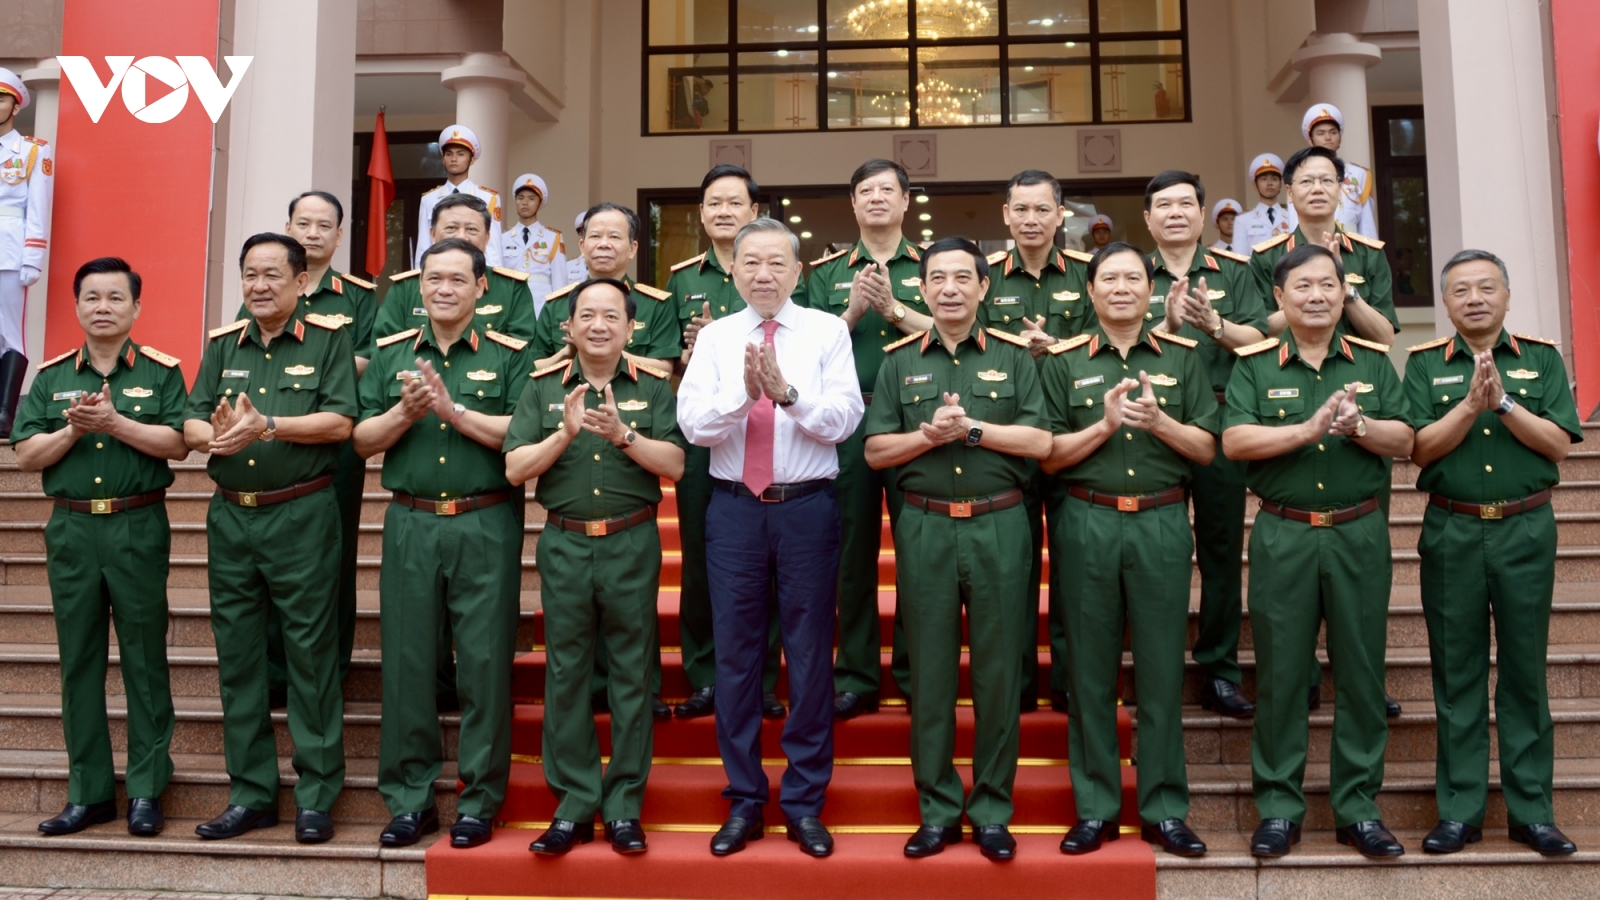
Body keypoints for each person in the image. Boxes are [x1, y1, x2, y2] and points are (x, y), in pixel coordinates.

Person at [678, 218, 863, 858]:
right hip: (734, 511)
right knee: (736, 659)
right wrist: (745, 395)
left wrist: (788, 396)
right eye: (751, 263)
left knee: (809, 657)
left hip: (806, 508)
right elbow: (694, 425)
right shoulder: (715, 338)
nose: (763, 274)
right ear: (732, 271)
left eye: (776, 263)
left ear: (798, 271)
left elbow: (844, 419)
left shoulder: (828, 331)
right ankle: (745, 799)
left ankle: (805, 802)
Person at [1222, 243, 1414, 860]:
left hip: (1359, 532)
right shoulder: (1255, 365)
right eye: (1302, 286)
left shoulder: (1373, 361)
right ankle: (1279, 807)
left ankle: (1358, 808)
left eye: (1328, 285)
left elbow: (1405, 438)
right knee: (1281, 675)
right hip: (1285, 534)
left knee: (1360, 671)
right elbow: (1235, 440)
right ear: (1279, 298)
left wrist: (1361, 427)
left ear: (1343, 292)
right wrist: (1305, 431)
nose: (1317, 296)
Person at [865, 237, 1051, 861]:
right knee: (931, 675)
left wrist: (971, 430)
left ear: (983, 287)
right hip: (925, 526)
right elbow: (875, 451)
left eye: (962, 278)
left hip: (1000, 524)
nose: (949, 288)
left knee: (998, 673)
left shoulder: (1014, 357)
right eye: (937, 278)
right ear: (920, 290)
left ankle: (993, 809)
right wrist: (926, 437)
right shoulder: (898, 363)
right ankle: (938, 809)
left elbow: (1039, 442)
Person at [1041, 242, 1218, 859]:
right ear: (1090, 291)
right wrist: (1107, 426)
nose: (1121, 288)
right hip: (1086, 520)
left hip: (1162, 521)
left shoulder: (1182, 358)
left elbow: (1206, 449)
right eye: (1109, 278)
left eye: (1133, 278)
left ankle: (1165, 809)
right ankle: (1096, 808)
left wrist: (1159, 422)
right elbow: (1048, 455)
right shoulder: (1063, 363)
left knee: (1162, 671)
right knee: (1089, 672)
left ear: (1151, 289)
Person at [354, 238, 532, 850]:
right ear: (419, 287)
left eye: (458, 279)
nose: (444, 289)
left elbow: (523, 433)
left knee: (484, 666)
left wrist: (454, 413)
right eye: (433, 279)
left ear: (482, 288)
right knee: (407, 665)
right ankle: (410, 801)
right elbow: (361, 439)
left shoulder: (511, 354)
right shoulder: (392, 354)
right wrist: (405, 413)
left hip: (485, 521)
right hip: (411, 521)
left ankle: (479, 801)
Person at [1406, 250, 1581, 857]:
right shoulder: (1424, 364)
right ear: (1445, 303)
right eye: (1461, 290)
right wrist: (1469, 405)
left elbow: (1558, 445)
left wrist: (1504, 403)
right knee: (1457, 675)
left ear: (1507, 296)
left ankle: (1532, 811)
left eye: (1486, 287)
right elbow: (1419, 448)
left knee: (1525, 672)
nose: (1474, 298)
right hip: (1451, 530)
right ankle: (1459, 812)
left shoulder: (1541, 358)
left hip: (1524, 529)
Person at [183, 234, 356, 843]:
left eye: (271, 275)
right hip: (232, 518)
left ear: (301, 282)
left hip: (300, 514)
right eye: (249, 275)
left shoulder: (329, 341)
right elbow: (190, 418)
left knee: (310, 656)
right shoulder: (223, 345)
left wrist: (269, 426)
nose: (258, 286)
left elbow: (340, 422)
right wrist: (215, 435)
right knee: (239, 658)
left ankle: (316, 795)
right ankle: (251, 793)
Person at [506, 279, 685, 856]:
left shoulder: (653, 385)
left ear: (631, 328)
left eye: (611, 316)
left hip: (632, 543)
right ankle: (574, 804)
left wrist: (625, 435)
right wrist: (564, 435)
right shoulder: (541, 387)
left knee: (633, 674)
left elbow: (676, 464)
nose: (599, 325)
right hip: (565, 543)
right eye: (587, 315)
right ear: (569, 326)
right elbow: (515, 468)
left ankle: (625, 805)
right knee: (566, 674)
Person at [13, 258, 185, 838]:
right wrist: (73, 429)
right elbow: (26, 454)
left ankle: (146, 790)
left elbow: (178, 443)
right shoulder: (51, 376)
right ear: (77, 306)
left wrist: (114, 423)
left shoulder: (161, 372)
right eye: (92, 297)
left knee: (144, 658)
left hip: (137, 525)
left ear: (136, 307)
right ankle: (88, 793)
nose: (103, 307)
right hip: (72, 530)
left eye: (115, 297)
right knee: (79, 662)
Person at [803, 159, 933, 720]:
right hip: (849, 419)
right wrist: (853, 312)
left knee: (919, 551)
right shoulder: (825, 272)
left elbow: (958, 328)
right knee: (851, 552)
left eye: (887, 190)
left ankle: (916, 672)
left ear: (906, 201)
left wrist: (895, 310)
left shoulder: (934, 266)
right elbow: (805, 351)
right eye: (866, 191)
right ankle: (856, 673)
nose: (877, 198)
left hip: (920, 421)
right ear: (853, 203)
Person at [243, 191, 377, 707]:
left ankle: (329, 670)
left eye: (325, 225)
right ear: (289, 227)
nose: (313, 233)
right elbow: (243, 352)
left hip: (330, 444)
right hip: (267, 447)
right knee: (269, 563)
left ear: (339, 236)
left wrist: (308, 384)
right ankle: (275, 672)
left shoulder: (358, 296)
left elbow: (367, 360)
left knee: (332, 560)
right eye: (304, 223)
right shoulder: (263, 289)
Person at [1142, 171, 1267, 720]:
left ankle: (1219, 669)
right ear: (1147, 219)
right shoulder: (1128, 271)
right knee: (1155, 552)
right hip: (1151, 423)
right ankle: (1158, 669)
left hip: (1217, 419)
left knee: (1220, 550)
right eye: (1164, 205)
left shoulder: (1234, 272)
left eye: (1185, 204)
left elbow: (1260, 338)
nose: (1175, 213)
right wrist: (1166, 326)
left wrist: (1215, 325)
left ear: (1202, 214)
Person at [669, 164, 785, 721]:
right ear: (701, 213)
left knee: (771, 565)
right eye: (713, 202)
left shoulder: (780, 269)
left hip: (773, 433)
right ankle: (705, 675)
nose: (723, 211)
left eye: (734, 202)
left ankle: (763, 680)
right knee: (701, 559)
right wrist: (692, 353)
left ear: (754, 211)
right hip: (708, 436)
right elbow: (667, 365)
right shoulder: (680, 280)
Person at [984, 169, 1095, 715]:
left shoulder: (1089, 273)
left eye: (1042, 209)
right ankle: (1020, 681)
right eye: (1021, 210)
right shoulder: (984, 277)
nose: (1031, 219)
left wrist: (1060, 346)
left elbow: (1110, 337)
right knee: (1013, 570)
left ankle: (1071, 681)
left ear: (1060, 214)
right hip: (1010, 437)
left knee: (1075, 569)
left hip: (1076, 435)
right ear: (1006, 215)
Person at [1249, 147, 1397, 346]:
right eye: (1307, 181)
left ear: (1339, 189)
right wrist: (1305, 300)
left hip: (1356, 365)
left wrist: (1344, 289)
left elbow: (1385, 338)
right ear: (1290, 192)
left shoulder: (1368, 254)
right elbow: (1257, 333)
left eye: (1327, 180)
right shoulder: (1267, 257)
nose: (1317, 189)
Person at [534, 203, 679, 379]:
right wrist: (566, 354)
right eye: (595, 236)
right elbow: (532, 369)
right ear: (582, 246)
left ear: (632, 249)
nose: (603, 244)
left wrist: (612, 352)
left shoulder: (655, 306)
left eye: (614, 237)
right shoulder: (556, 305)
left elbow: (665, 372)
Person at [379, 194, 537, 344]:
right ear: (433, 235)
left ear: (487, 238)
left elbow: (522, 349)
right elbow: (384, 348)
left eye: (471, 229)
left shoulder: (512, 288)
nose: (461, 237)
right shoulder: (405, 288)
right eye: (451, 228)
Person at [0, 67, 52, 438]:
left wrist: (32, 257)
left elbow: (39, 207)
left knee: (10, 332)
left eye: (1, 99)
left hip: (9, 250)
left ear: (16, 107)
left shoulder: (32, 151)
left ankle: (5, 413)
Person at [414, 125, 504, 267]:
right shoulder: (429, 199)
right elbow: (424, 246)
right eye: (449, 154)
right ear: (443, 159)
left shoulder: (489, 199)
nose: (454, 159)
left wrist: (492, 277)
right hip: (440, 269)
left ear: (471, 160)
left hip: (474, 270)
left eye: (460, 154)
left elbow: (493, 248)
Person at [1303, 104, 1378, 238]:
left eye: (1333, 132)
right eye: (1321, 133)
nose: (1328, 137)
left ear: (1340, 138)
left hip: (1351, 245)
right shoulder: (1301, 173)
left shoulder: (1358, 174)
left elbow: (1366, 224)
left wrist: (1369, 250)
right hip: (1314, 243)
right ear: (1311, 140)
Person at [499, 173, 566, 315]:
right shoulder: (503, 238)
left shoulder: (553, 238)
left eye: (531, 198)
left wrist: (557, 315)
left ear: (539, 204)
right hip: (511, 304)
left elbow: (559, 281)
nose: (525, 202)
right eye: (520, 198)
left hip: (541, 306)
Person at [1230, 154, 1292, 257]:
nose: (1269, 183)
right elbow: (1240, 259)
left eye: (1274, 179)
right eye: (1264, 179)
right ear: (1255, 185)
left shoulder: (1292, 217)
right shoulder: (1243, 221)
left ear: (1281, 185)